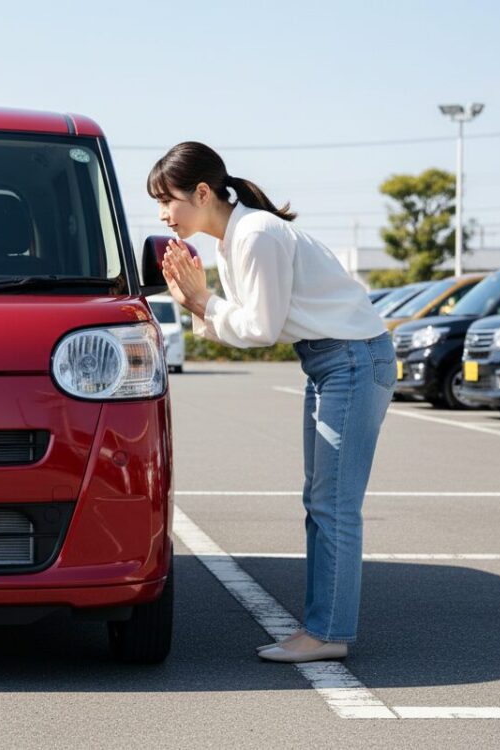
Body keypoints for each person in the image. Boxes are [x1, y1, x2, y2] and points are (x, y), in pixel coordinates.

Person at [152, 141, 394, 663]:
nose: (163, 215)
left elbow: (258, 329)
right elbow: (236, 326)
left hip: (351, 360)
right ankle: (323, 628)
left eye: (167, 200)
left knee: (333, 505)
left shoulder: (256, 235)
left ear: (201, 192)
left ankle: (328, 633)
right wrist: (194, 301)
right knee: (322, 502)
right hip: (333, 362)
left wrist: (199, 300)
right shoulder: (234, 239)